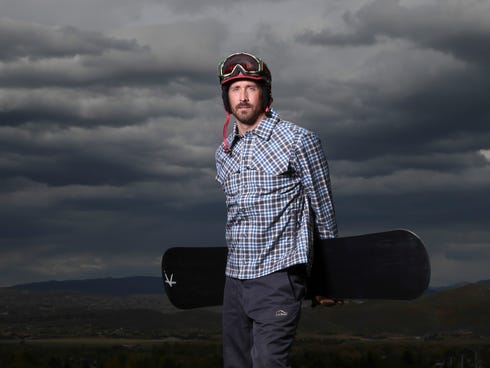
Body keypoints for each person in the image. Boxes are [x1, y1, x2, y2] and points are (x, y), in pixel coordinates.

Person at [215, 52, 338, 368]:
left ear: (266, 92)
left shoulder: (298, 140)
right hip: (235, 280)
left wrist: (328, 279)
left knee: (269, 362)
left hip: (278, 275)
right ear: (226, 97)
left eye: (251, 87)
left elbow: (323, 211)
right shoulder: (224, 153)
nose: (243, 96)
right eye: (235, 88)